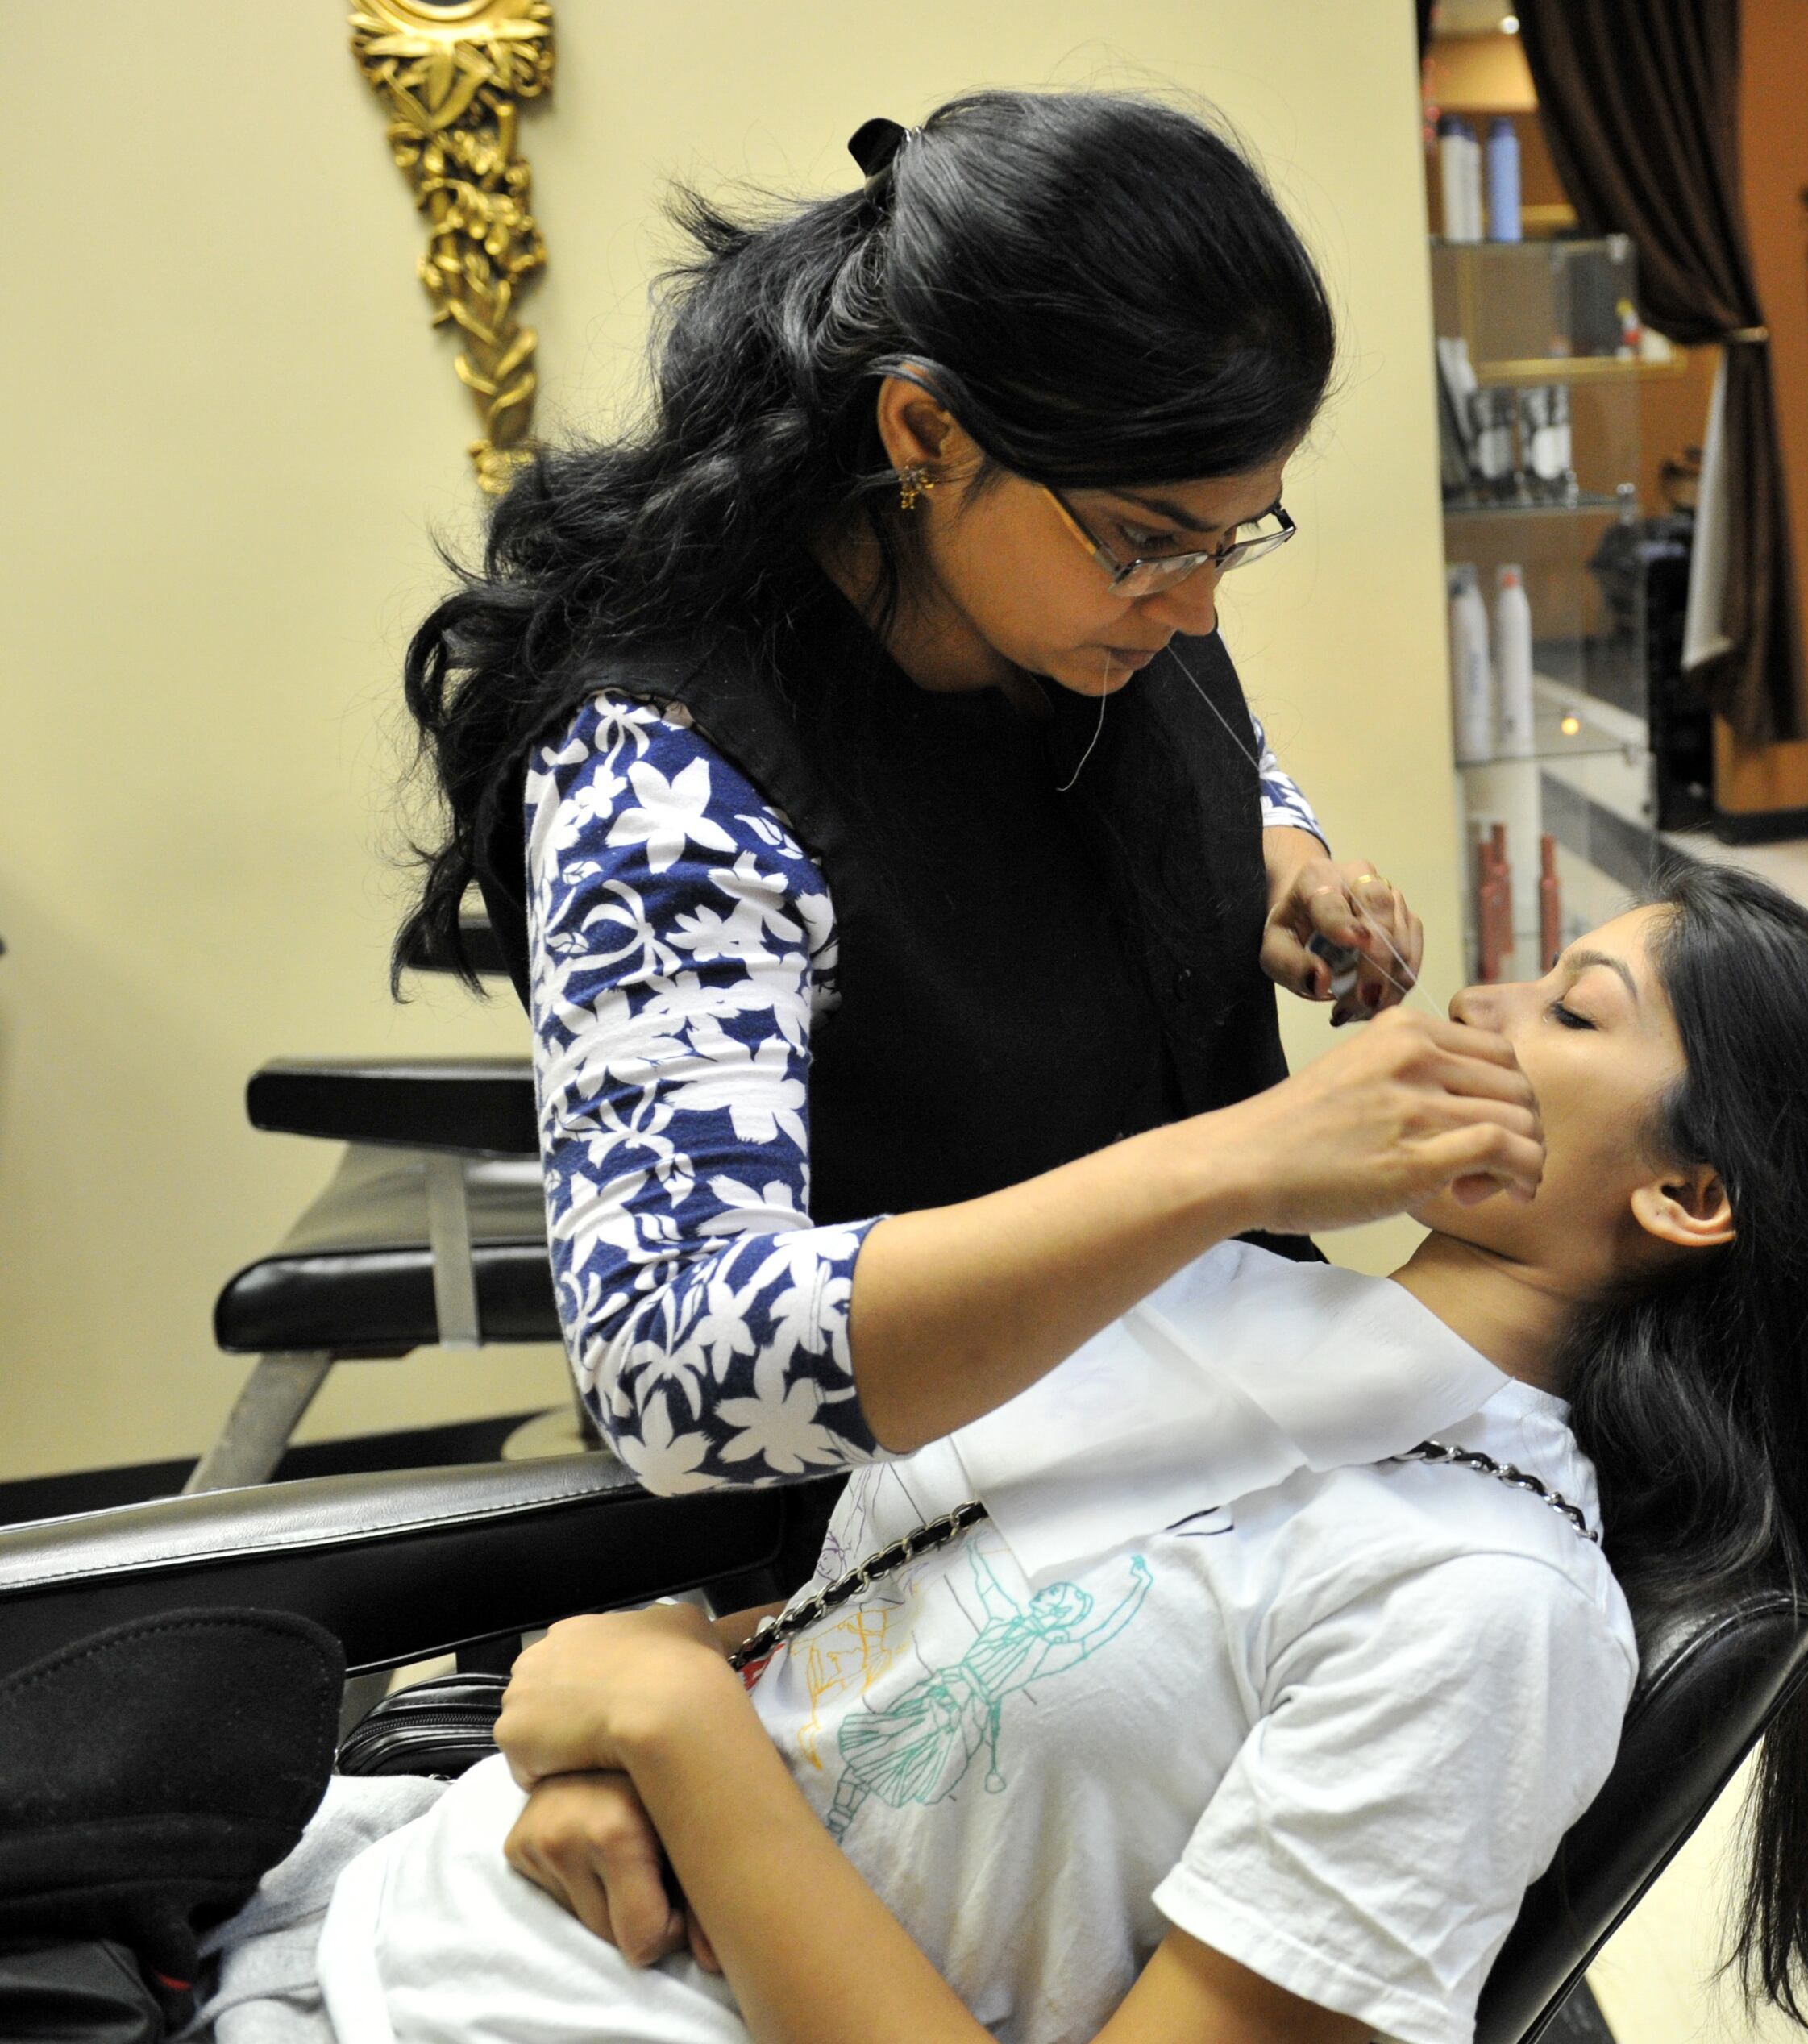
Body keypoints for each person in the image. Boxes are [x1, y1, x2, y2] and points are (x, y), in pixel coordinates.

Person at [185, 866, 1808, 2044]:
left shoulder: (1489, 1609)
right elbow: (878, 1626)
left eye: (1569, 1012)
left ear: (1688, 1193)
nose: (1479, 1006)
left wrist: (672, 1734)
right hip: (388, 1889)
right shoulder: (1204, 1297)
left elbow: (736, 1721)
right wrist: (605, 1721)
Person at [396, 93, 1527, 1496]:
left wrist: (1280, 857)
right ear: (925, 433)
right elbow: (667, 1368)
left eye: (1236, 540)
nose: (1195, 608)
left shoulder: (1099, 603)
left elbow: (1211, 744)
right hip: (933, 1544)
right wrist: (1244, 1163)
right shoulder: (668, 768)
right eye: (1150, 543)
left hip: (1217, 1436)